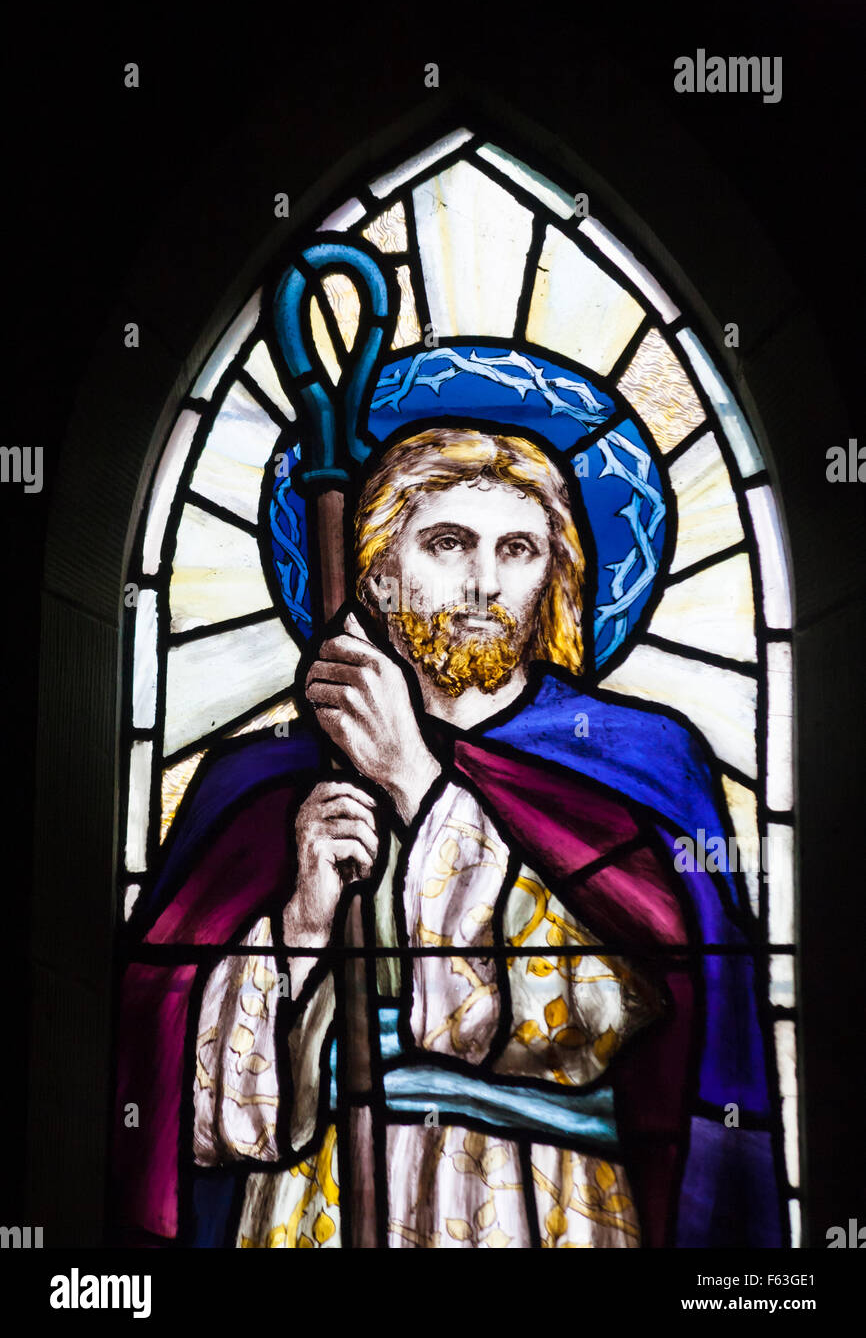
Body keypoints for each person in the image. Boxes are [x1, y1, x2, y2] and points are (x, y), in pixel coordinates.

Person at [113, 428, 783, 1249]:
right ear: (378, 570)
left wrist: (413, 780)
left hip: (541, 1205)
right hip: (314, 1213)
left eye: (519, 549)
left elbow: (602, 1016)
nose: (483, 582)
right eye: (446, 542)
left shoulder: (637, 763)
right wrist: (301, 928)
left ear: (556, 577)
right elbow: (190, 1106)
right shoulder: (266, 785)